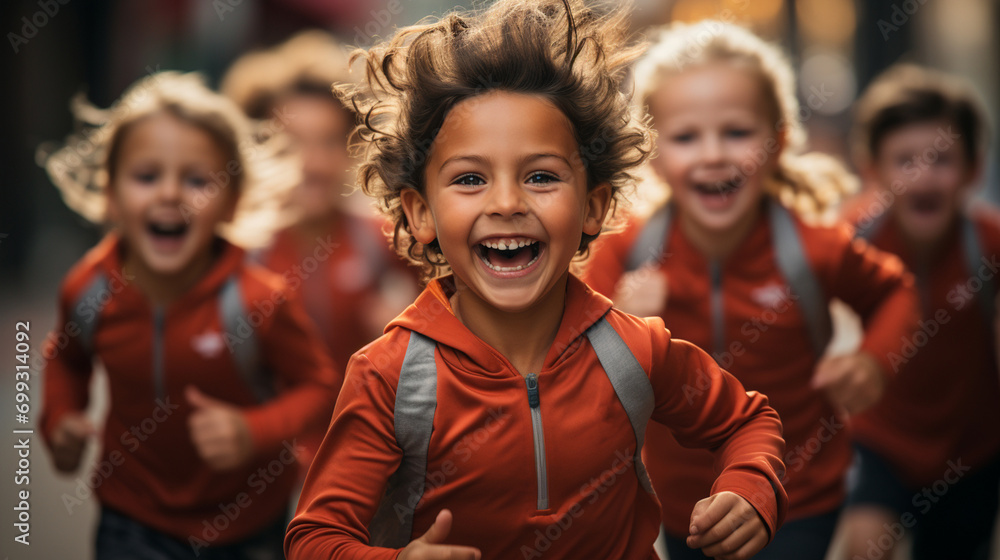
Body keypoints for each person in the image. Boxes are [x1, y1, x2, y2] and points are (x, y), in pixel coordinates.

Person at [285, 2, 789, 559]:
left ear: (593, 206)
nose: (506, 203)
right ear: (421, 212)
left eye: (542, 176)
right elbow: (314, 538)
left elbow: (748, 421)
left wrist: (752, 489)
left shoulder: (633, 351)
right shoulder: (390, 378)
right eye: (470, 178)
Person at [583, 21, 918, 560]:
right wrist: (618, 317)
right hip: (684, 505)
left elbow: (897, 291)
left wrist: (874, 361)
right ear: (656, 155)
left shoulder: (813, 247)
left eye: (737, 133)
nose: (713, 153)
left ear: (778, 142)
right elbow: (573, 355)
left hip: (800, 497)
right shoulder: (627, 253)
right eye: (686, 136)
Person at [39, 71, 339, 559]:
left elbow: (319, 387)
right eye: (146, 176)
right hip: (132, 520)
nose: (170, 194)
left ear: (231, 201)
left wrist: (252, 432)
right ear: (110, 192)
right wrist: (59, 420)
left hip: (249, 525)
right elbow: (67, 358)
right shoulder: (89, 289)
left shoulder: (257, 300)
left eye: (198, 180)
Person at [837, 63, 1000, 560]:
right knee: (866, 544)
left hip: (972, 450)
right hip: (879, 440)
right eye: (904, 160)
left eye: (942, 160)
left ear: (974, 169)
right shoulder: (853, 239)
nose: (923, 176)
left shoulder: (987, 243)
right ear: (873, 170)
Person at [221, 30, 419, 378]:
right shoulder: (234, 253)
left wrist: (411, 328)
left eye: (329, 142)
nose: (312, 164)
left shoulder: (387, 239)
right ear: (258, 148)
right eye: (292, 143)